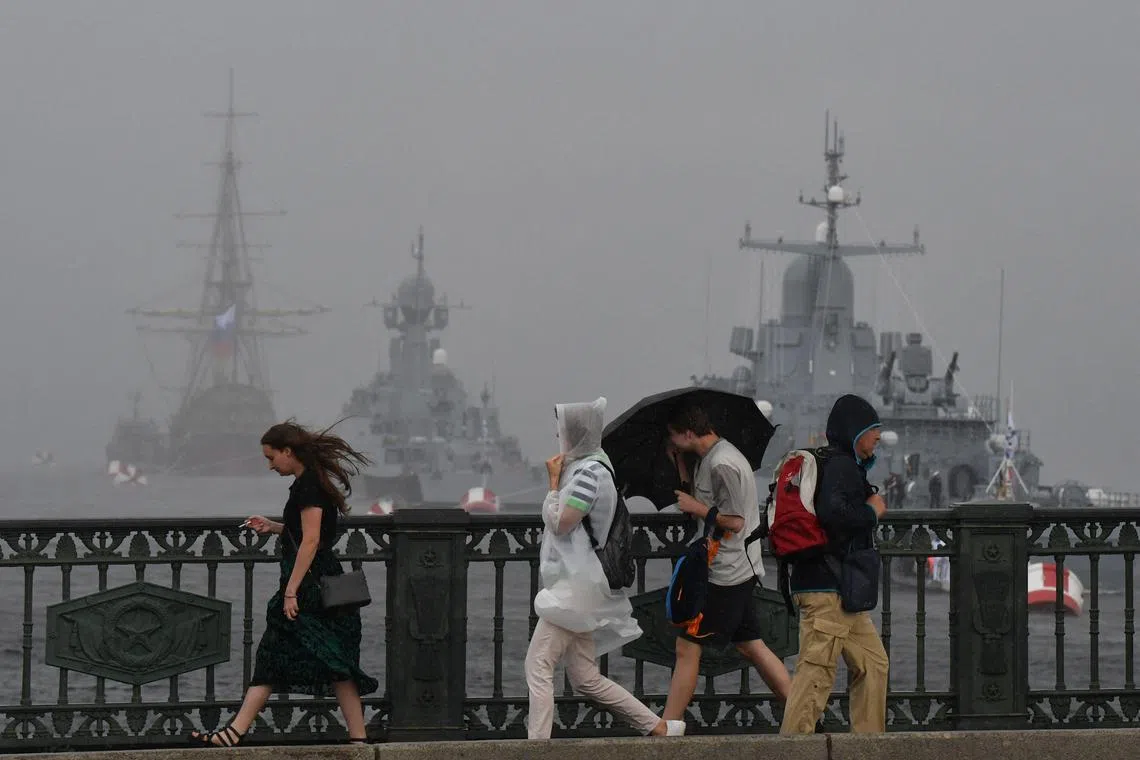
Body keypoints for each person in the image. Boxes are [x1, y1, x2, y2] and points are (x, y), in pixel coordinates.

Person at [190, 421, 379, 747]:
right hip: (323, 581)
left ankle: (233, 734)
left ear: (288, 452)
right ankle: (359, 739)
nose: (269, 464)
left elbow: (311, 541)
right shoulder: (313, 482)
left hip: (308, 586)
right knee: (340, 663)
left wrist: (291, 591)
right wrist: (274, 527)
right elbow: (306, 534)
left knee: (271, 656)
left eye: (271, 457)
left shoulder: (308, 487)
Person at [525, 397, 685, 740]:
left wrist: (553, 484)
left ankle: (535, 748)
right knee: (585, 677)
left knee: (538, 665)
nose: (558, 436)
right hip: (582, 583)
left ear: (574, 434)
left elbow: (562, 522)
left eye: (562, 431)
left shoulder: (588, 475)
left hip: (576, 586)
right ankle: (657, 727)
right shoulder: (594, 468)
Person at [661, 401, 792, 722]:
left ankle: (667, 729)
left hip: (726, 573)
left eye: (674, 437)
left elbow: (734, 521)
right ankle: (803, 713)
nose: (671, 442)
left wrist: (695, 506)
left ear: (689, 432)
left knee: (688, 648)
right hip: (733, 569)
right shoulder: (708, 459)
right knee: (751, 645)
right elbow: (708, 499)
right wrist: (679, 466)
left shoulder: (724, 464)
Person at [780, 394, 890, 734]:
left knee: (873, 663)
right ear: (855, 432)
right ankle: (792, 751)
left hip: (840, 591)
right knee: (816, 673)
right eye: (873, 430)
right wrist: (872, 511)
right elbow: (834, 514)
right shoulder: (842, 465)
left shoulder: (837, 464)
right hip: (826, 587)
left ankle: (867, 747)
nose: (878, 437)